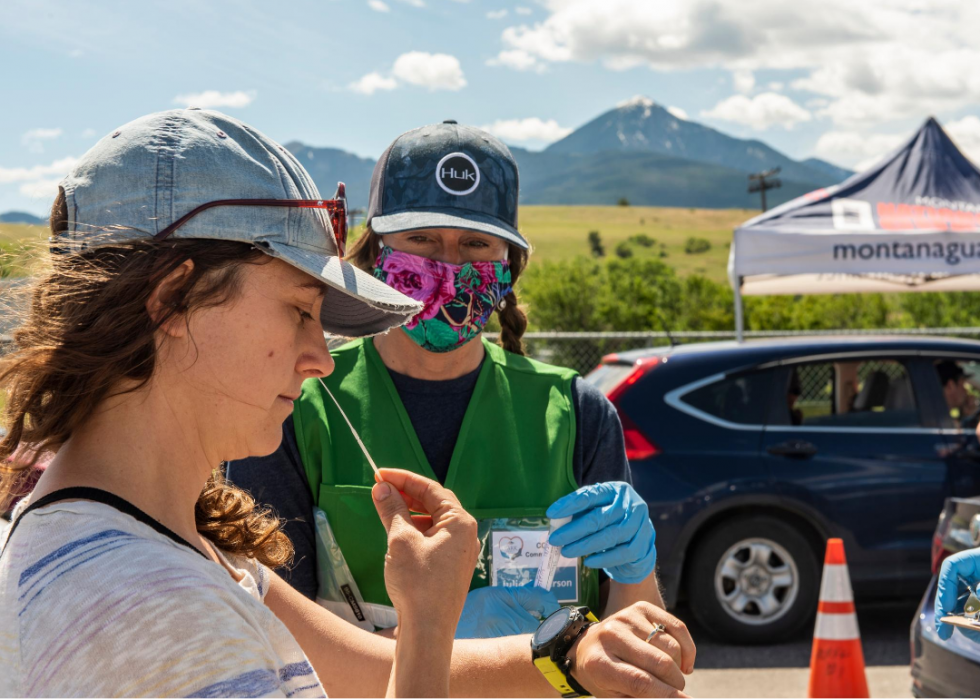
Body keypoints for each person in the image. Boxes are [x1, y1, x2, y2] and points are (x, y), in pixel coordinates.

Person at [0, 109, 695, 698]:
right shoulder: (154, 613)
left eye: (474, 243)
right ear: (174, 301)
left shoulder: (190, 553)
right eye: (299, 309)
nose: (321, 358)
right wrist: (438, 624)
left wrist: (567, 649)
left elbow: (357, 660)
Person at [228, 120, 662, 639]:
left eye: (476, 243)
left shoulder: (576, 414)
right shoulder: (299, 404)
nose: (449, 265)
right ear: (376, 252)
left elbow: (636, 645)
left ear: (508, 266)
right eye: (423, 239)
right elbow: (274, 641)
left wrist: (636, 576)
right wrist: (443, 641)